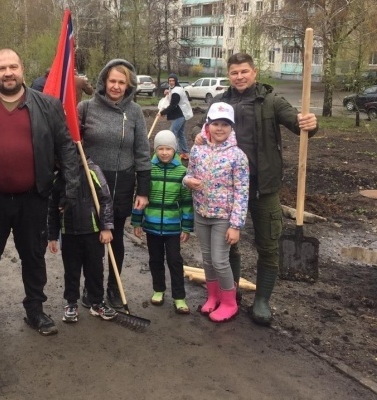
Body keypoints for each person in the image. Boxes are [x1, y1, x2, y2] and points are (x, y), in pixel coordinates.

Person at [0, 48, 80, 340]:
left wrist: (70, 187)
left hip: (33, 198)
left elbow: (66, 148)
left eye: (13, 67)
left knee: (33, 256)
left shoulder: (47, 105)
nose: (8, 73)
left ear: (22, 69)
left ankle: (35, 310)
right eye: (1, 68)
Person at [197, 52, 318, 326]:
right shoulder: (220, 101)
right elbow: (203, 126)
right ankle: (231, 293)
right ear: (229, 75)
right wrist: (198, 133)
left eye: (244, 71)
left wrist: (310, 123)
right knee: (228, 245)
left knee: (268, 245)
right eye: (234, 72)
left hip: (263, 187)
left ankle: (261, 300)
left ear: (254, 72)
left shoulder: (271, 101)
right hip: (226, 190)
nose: (239, 76)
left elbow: (297, 123)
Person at [78, 59, 151, 309]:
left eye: (122, 82)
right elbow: (72, 142)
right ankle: (92, 286)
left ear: (128, 85)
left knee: (115, 237)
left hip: (122, 183)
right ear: (104, 81)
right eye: (112, 81)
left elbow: (142, 151)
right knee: (92, 239)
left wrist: (143, 189)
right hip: (92, 183)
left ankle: (113, 286)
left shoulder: (135, 112)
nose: (116, 86)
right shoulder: (86, 108)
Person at [185, 103, 249, 322]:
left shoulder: (237, 156)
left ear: (231, 127)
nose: (220, 128)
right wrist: (188, 181)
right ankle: (213, 296)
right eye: (215, 124)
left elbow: (242, 192)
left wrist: (236, 225)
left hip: (223, 218)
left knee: (220, 260)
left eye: (225, 124)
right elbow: (189, 174)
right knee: (207, 259)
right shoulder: (197, 150)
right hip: (201, 213)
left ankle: (230, 303)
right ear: (208, 125)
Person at [131, 130, 193, 314]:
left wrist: (187, 226)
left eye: (168, 149)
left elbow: (187, 202)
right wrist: (136, 221)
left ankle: (179, 297)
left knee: (175, 260)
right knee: (155, 259)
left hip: (173, 227)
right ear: (155, 150)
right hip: (152, 225)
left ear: (174, 150)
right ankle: (158, 290)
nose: (164, 152)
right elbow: (140, 197)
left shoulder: (182, 172)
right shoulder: (148, 170)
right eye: (160, 149)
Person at [47, 157, 117, 323]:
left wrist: (106, 227)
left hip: (92, 231)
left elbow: (106, 200)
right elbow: (52, 209)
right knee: (71, 270)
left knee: (95, 269)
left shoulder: (92, 171)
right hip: (69, 233)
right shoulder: (58, 179)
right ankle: (71, 303)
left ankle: (97, 302)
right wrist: (52, 236)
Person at [158, 73, 193, 160]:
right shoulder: (175, 88)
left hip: (181, 114)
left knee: (172, 133)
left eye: (173, 81)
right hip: (182, 113)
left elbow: (173, 105)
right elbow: (171, 92)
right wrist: (168, 92)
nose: (171, 82)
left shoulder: (177, 92)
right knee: (180, 133)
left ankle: (175, 154)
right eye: (170, 81)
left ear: (176, 81)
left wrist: (162, 113)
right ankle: (185, 153)